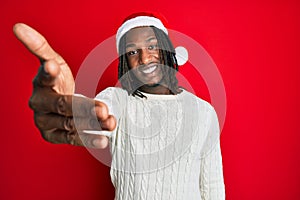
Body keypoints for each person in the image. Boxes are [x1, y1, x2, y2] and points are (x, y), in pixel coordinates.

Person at [14, 12, 225, 200]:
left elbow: (212, 186)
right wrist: (72, 107)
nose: (144, 58)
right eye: (133, 52)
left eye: (152, 46)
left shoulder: (203, 112)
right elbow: (97, 114)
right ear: (125, 62)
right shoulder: (117, 100)